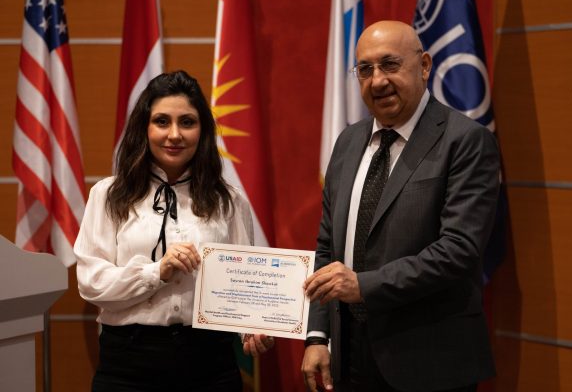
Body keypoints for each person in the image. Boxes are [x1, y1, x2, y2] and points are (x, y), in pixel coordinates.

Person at [302, 21, 499, 392]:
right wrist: (317, 336)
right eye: (365, 69)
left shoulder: (465, 141)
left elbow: (458, 251)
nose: (377, 81)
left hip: (429, 360)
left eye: (390, 65)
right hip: (349, 356)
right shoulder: (348, 141)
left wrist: (363, 286)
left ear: (424, 66)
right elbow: (327, 247)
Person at [75, 70, 273, 392]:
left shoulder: (229, 200)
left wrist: (253, 326)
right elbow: (91, 283)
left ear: (202, 130)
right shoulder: (108, 194)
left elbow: (244, 284)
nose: (175, 134)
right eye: (162, 121)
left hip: (210, 364)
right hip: (128, 364)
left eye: (187, 122)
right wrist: (157, 272)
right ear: (144, 127)